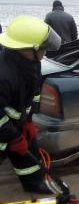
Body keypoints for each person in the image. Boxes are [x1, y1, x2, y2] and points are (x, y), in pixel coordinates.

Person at [0, 15, 61, 193]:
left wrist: (28, 120)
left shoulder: (32, 63)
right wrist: (13, 137)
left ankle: (33, 183)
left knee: (29, 154)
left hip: (17, 123)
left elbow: (34, 94)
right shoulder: (3, 75)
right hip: (3, 127)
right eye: (43, 48)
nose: (45, 52)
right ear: (27, 49)